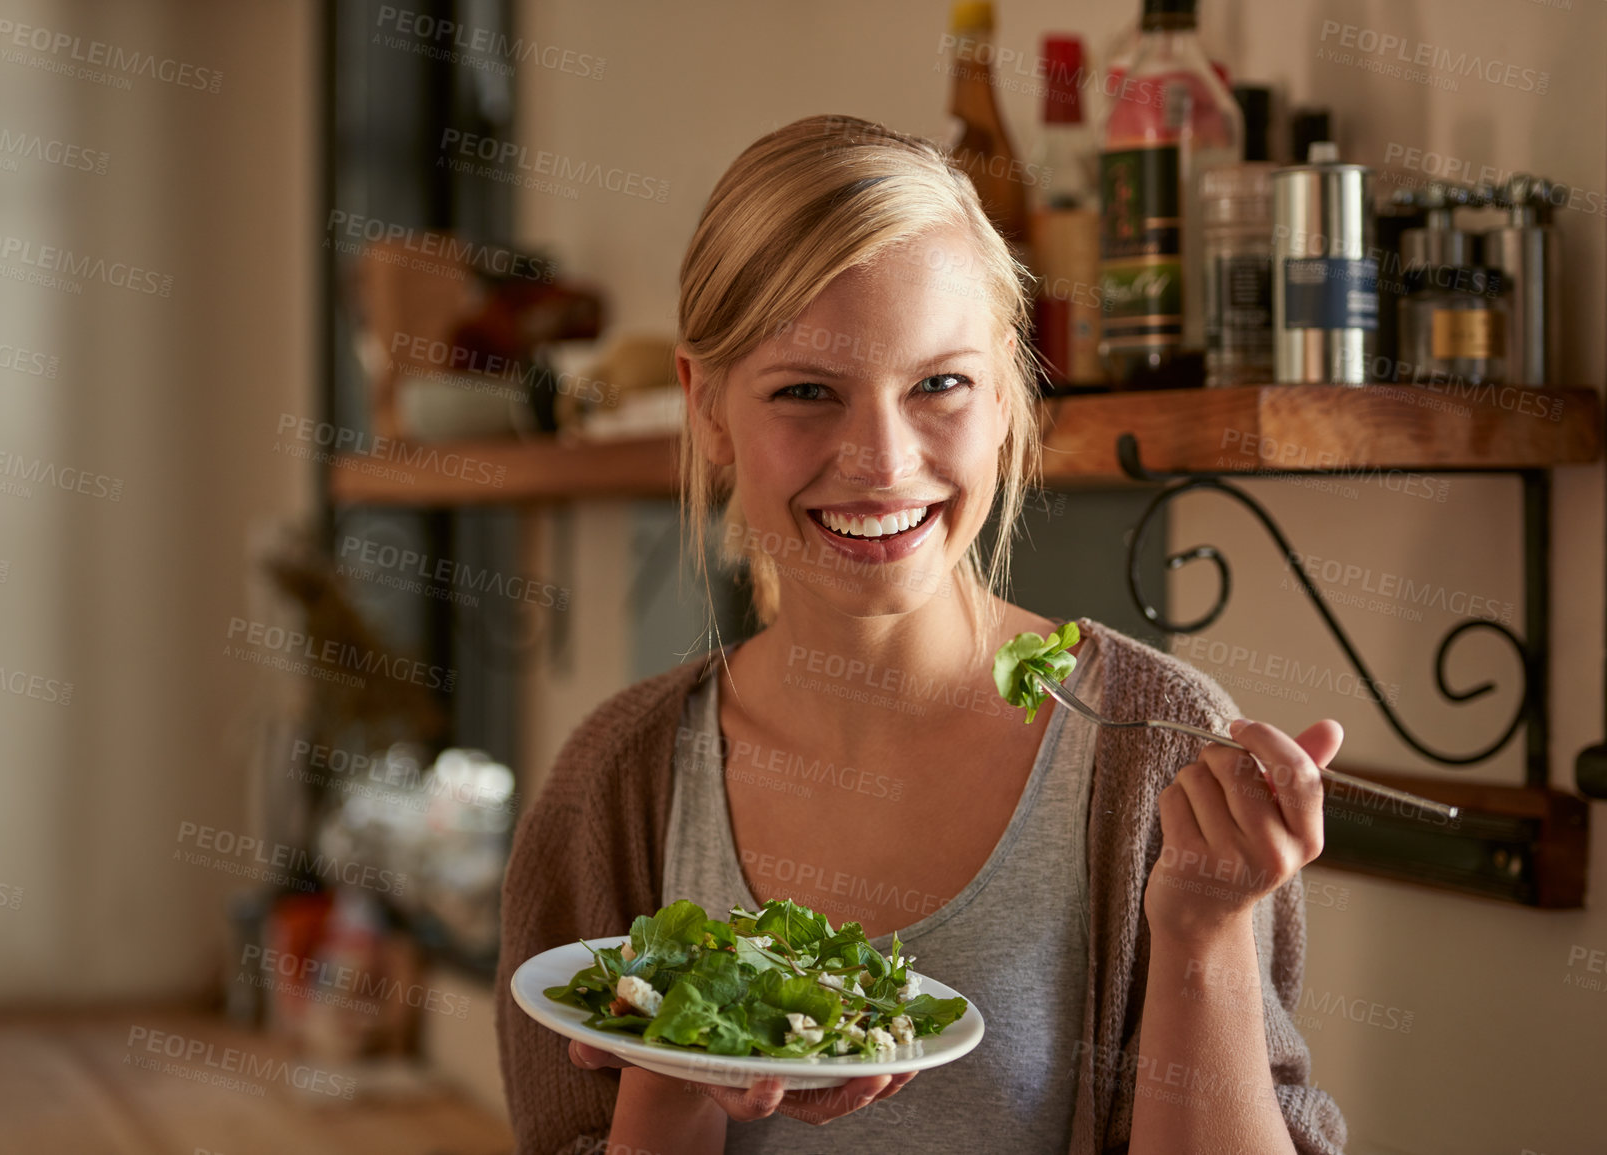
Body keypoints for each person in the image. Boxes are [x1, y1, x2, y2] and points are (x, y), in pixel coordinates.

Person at [495, 114, 1348, 1155]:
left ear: (1006, 396)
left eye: (938, 384)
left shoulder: (1156, 748)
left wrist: (1203, 933)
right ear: (707, 409)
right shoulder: (614, 786)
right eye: (807, 392)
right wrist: (674, 1073)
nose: (883, 463)